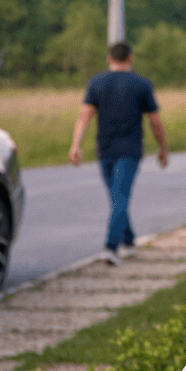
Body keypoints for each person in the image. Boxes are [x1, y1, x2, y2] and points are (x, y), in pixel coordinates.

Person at [70, 41, 169, 265]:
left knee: (118, 198)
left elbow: (84, 115)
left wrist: (75, 144)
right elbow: (155, 121)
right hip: (130, 149)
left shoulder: (96, 82)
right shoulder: (142, 84)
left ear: (109, 59)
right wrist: (162, 148)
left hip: (104, 149)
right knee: (119, 199)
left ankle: (110, 247)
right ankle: (129, 240)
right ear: (130, 58)